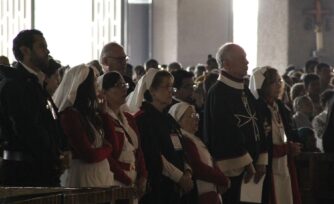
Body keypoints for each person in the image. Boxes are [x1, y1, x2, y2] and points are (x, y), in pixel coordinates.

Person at [0, 29, 68, 186]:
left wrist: (64, 149)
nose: (47, 51)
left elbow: (52, 119)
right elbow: (27, 129)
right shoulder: (14, 85)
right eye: (41, 47)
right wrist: (53, 157)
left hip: (43, 169)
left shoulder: (35, 83)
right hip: (25, 173)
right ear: (25, 51)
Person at [204, 43, 268, 204]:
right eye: (242, 59)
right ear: (226, 63)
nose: (247, 62)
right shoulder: (218, 93)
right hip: (233, 167)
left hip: (253, 164)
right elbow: (225, 132)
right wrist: (247, 163)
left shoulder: (244, 90)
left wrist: (261, 159)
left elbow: (258, 122)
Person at [127, 69, 194, 204]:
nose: (171, 91)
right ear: (152, 91)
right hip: (158, 187)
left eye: (172, 87)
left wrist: (187, 172)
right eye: (167, 87)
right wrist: (179, 177)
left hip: (176, 187)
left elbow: (181, 147)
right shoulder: (143, 119)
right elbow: (154, 154)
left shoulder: (168, 118)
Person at [53, 64, 114, 187]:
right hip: (83, 176)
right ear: (83, 86)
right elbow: (88, 154)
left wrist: (104, 113)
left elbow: (112, 142)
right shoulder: (70, 116)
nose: (98, 86)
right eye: (94, 81)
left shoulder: (89, 113)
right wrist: (108, 149)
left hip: (98, 173)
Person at [249, 66, 302, 204]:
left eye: (279, 81)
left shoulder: (280, 106)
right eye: (273, 82)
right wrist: (286, 148)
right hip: (268, 165)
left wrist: (293, 144)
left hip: (284, 163)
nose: (279, 85)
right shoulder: (258, 108)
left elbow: (288, 132)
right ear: (263, 85)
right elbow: (259, 140)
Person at [98, 71, 147, 200]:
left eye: (124, 85)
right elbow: (109, 155)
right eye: (118, 85)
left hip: (134, 178)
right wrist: (127, 180)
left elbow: (138, 149)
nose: (124, 89)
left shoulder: (129, 118)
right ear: (104, 92)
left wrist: (143, 176)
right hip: (115, 179)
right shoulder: (102, 119)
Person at [169, 102, 230, 204]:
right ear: (178, 121)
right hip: (201, 193)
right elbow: (197, 167)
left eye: (196, 115)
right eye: (192, 116)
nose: (197, 118)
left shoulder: (193, 138)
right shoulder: (184, 139)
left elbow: (210, 162)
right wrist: (223, 180)